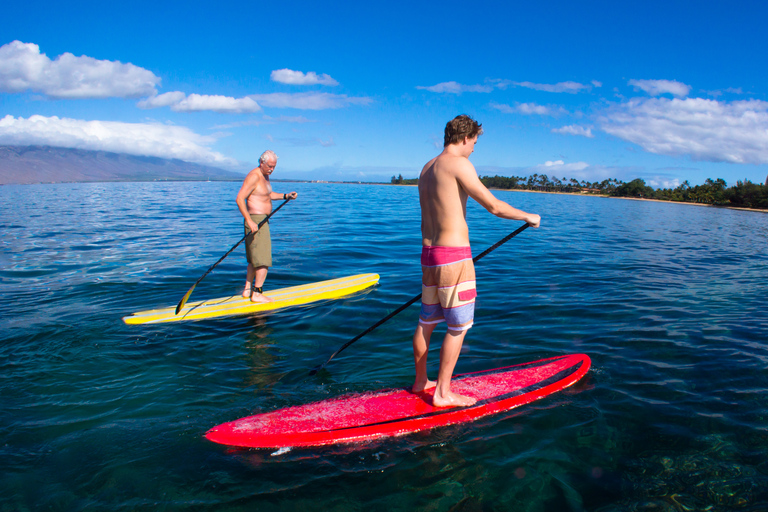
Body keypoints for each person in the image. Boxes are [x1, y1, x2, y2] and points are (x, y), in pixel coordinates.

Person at [413, 115, 541, 407]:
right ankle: (443, 394)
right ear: (465, 137)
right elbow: (494, 206)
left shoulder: (426, 168)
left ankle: (421, 381)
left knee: (426, 322)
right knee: (457, 327)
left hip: (429, 255)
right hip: (454, 257)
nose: (474, 149)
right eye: (474, 142)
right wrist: (527, 216)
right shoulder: (459, 164)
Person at [235, 150, 298, 303]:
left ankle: (247, 290)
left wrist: (285, 195)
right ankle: (257, 293)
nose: (271, 169)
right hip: (256, 221)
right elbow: (239, 198)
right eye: (269, 166)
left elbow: (266, 195)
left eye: (274, 167)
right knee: (263, 260)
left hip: (261, 220)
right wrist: (249, 221)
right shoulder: (254, 175)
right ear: (261, 162)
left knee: (253, 260)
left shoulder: (265, 176)